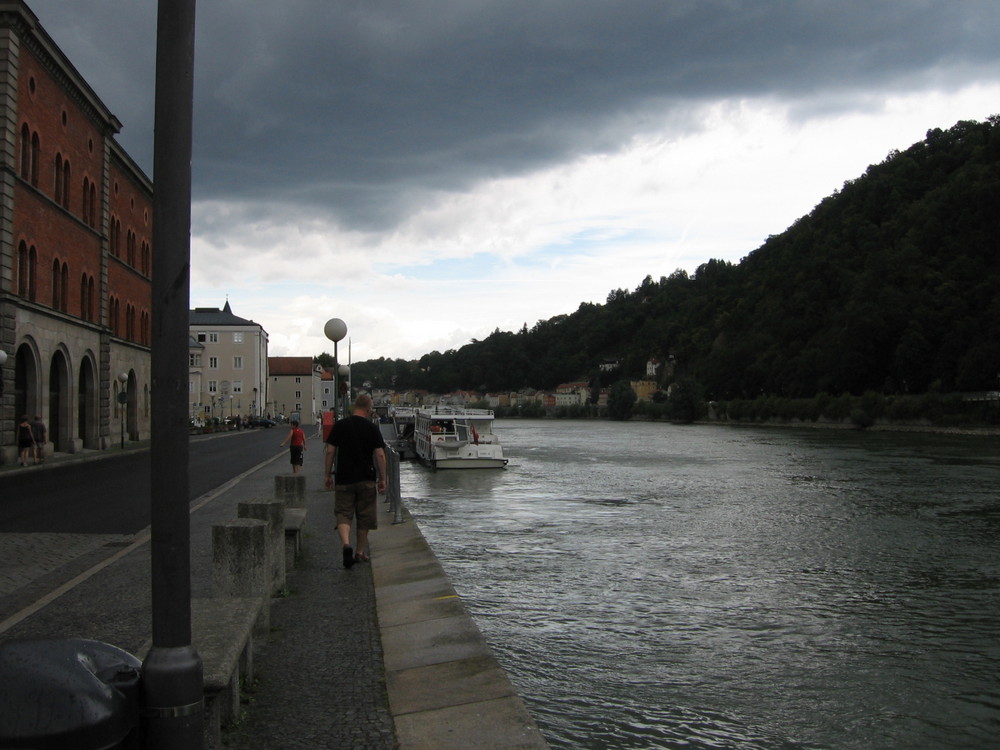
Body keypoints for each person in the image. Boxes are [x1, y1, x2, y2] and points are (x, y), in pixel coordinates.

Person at [324, 393, 387, 568]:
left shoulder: (340, 426)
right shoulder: (372, 428)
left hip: (344, 478)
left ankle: (346, 544)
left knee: (343, 513)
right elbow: (380, 454)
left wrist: (327, 475)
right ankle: (359, 552)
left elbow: (330, 451)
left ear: (354, 407)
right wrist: (383, 478)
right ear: (368, 409)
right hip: (366, 478)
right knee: (364, 515)